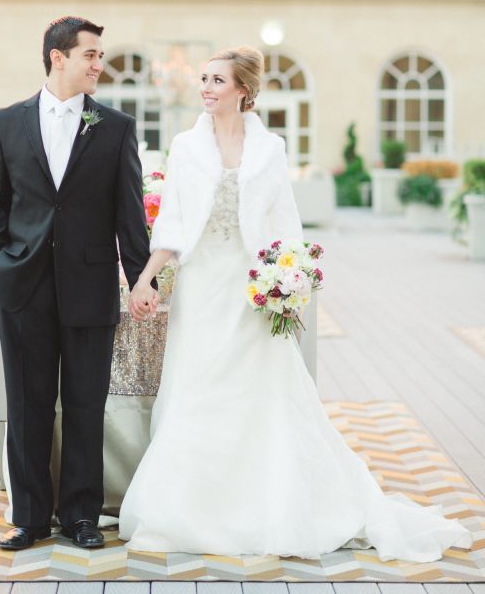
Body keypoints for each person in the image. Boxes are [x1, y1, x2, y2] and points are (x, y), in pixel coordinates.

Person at [120, 46, 473, 561]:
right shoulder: (185, 147)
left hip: (250, 292)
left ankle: (272, 503)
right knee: (196, 388)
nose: (207, 88)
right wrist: (145, 281)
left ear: (243, 90)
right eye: (203, 79)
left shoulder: (271, 149)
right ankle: (186, 509)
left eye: (218, 80)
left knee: (261, 392)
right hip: (201, 290)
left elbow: (286, 225)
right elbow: (172, 225)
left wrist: (289, 283)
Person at [0, 16, 157, 551]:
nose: (100, 65)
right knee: (28, 404)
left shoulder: (116, 127)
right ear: (59, 57)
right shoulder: (6, 122)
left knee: (84, 403)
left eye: (100, 56)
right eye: (91, 55)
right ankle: (29, 518)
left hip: (89, 287)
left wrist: (140, 279)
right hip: (22, 286)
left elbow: (130, 215)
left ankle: (81, 516)